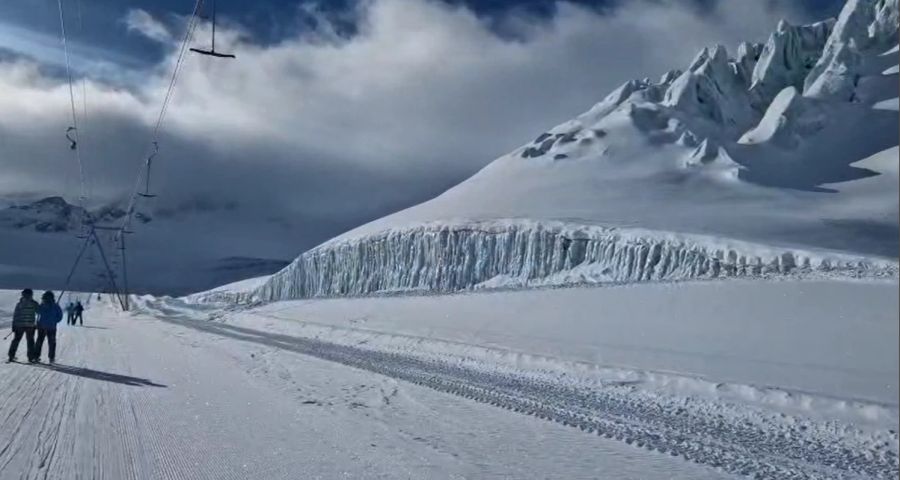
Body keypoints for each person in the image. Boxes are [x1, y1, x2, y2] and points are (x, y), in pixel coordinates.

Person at [8, 289, 38, 363]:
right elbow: (40, 312)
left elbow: (15, 315)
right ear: (31, 295)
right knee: (30, 341)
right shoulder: (34, 303)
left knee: (16, 340)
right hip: (30, 325)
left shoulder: (19, 304)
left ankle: (11, 356)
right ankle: (31, 357)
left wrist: (13, 325)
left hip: (19, 325)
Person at [34, 291, 63, 364]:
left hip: (43, 326)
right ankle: (51, 358)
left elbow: (37, 311)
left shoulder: (44, 305)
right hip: (50, 327)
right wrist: (54, 321)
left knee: (40, 342)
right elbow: (60, 316)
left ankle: (37, 356)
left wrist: (54, 320)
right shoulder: (55, 306)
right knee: (51, 343)